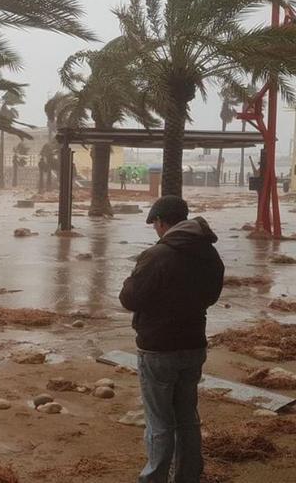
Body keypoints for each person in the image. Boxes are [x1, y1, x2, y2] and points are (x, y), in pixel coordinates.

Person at [119, 195, 225, 483]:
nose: (155, 229)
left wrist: (131, 281)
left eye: (155, 224)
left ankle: (154, 478)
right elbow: (212, 294)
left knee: (159, 422)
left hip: (158, 348)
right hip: (193, 343)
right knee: (187, 416)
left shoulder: (157, 255)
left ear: (162, 223)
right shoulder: (208, 252)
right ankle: (188, 475)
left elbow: (130, 298)